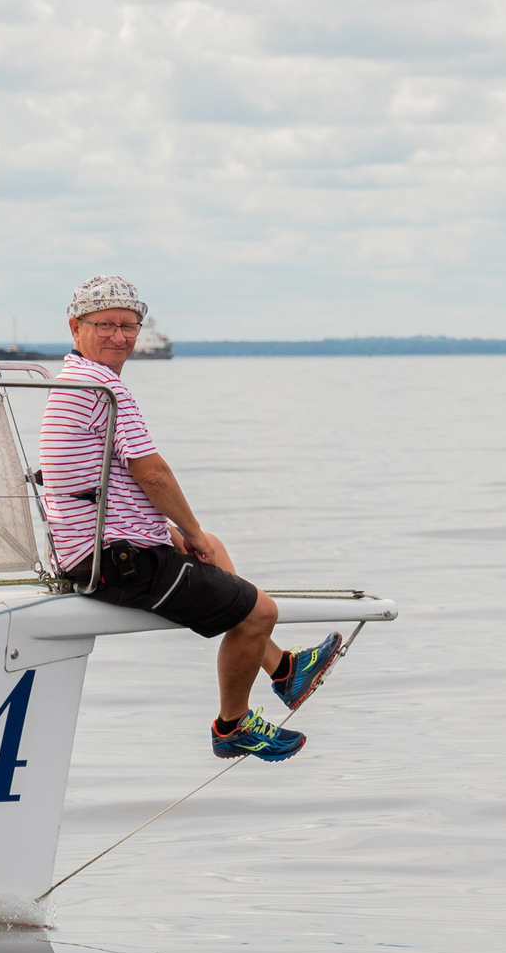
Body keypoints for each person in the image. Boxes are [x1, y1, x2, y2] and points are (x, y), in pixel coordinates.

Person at [39, 275, 343, 761]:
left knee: (215, 549)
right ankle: (233, 726)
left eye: (129, 326)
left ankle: (285, 671)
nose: (120, 337)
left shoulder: (77, 380)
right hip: (116, 562)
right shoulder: (105, 391)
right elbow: (152, 474)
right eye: (106, 326)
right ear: (76, 327)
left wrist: (186, 536)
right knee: (259, 612)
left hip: (104, 547)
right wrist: (189, 531)